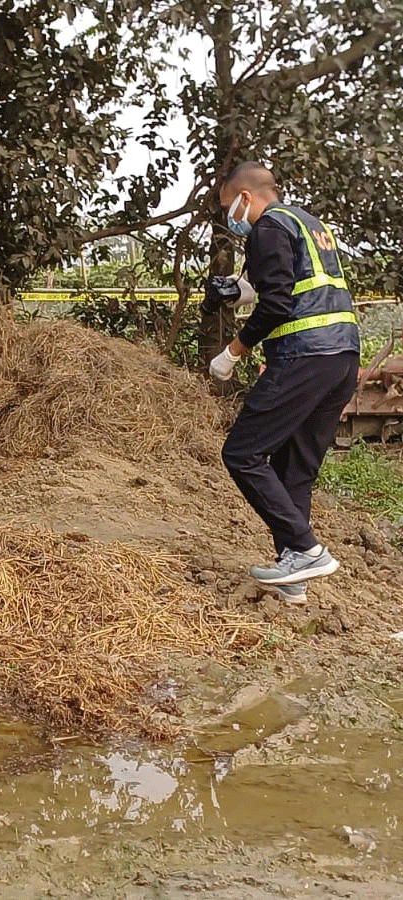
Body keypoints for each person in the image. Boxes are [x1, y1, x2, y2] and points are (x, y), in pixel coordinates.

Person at [208, 161, 361, 600]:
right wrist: (237, 292)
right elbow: (294, 285)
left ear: (246, 197)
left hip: (304, 355)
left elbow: (276, 304)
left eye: (228, 206)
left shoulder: (268, 227)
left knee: (242, 452)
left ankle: (307, 549)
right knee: (294, 470)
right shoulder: (310, 225)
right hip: (342, 356)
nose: (230, 217)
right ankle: (293, 576)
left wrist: (231, 352)